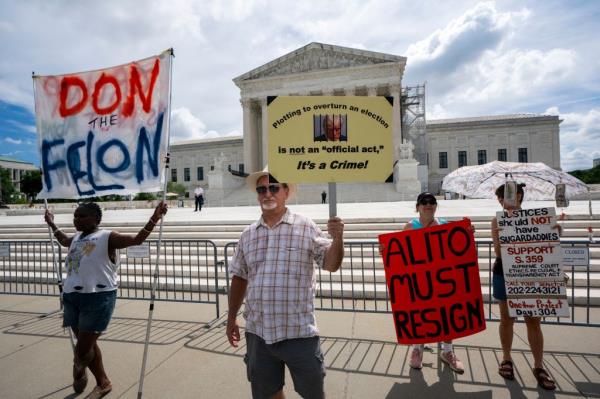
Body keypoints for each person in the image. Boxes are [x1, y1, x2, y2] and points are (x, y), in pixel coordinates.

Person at [226, 169, 345, 399]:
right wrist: (231, 318)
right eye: (262, 189)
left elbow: (330, 264)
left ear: (286, 192)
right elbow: (239, 277)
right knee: (268, 394)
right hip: (258, 332)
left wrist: (338, 239)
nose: (267, 193)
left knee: (313, 394)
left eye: (274, 187)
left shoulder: (305, 226)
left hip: (298, 332)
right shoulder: (248, 234)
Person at [44, 201, 168, 397]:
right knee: (88, 345)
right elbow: (63, 240)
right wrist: (51, 224)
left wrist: (155, 217)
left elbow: (136, 239)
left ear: (96, 218)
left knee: (83, 350)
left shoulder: (107, 237)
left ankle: (79, 365)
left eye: (82, 216)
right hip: (72, 297)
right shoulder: (76, 238)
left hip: (98, 297)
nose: (77, 219)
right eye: (75, 216)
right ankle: (103, 383)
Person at [491, 183, 557, 390]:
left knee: (533, 321)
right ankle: (507, 359)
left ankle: (538, 366)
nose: (504, 200)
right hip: (505, 272)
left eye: (507, 195)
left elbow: (548, 247)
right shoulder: (497, 221)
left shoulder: (536, 218)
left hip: (531, 273)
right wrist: (505, 231)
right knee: (506, 319)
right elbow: (500, 253)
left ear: (519, 196)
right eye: (500, 197)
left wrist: (555, 230)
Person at [403, 192, 465, 374]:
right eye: (424, 202)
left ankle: (447, 352)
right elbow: (401, 253)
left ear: (436, 206)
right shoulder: (409, 226)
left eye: (432, 202)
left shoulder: (445, 225)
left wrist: (466, 235)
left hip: (442, 279)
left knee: (447, 317)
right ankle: (417, 349)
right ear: (417, 207)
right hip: (420, 279)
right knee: (420, 315)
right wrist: (385, 249)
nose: (428, 204)